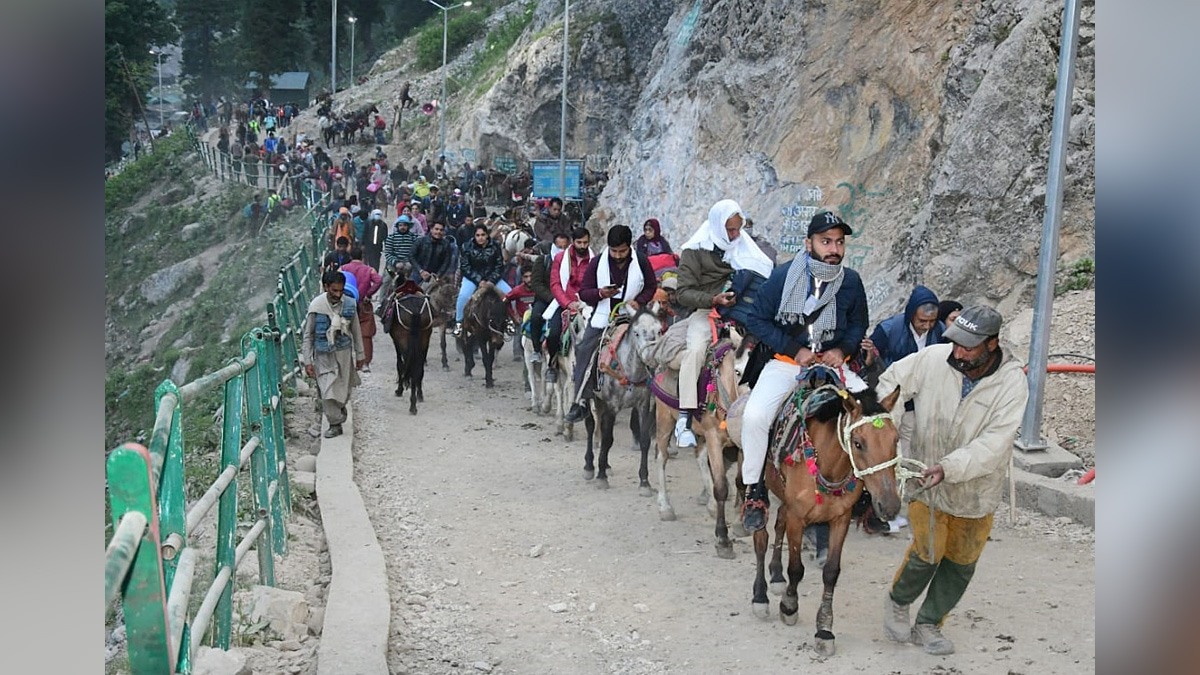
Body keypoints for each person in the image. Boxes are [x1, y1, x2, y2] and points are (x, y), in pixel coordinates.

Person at [879, 305, 1028, 655]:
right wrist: (887, 428)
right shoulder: (933, 359)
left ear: (991, 344)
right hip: (924, 479)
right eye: (956, 342)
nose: (958, 352)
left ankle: (929, 622)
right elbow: (890, 386)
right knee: (928, 552)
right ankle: (898, 601)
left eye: (969, 346)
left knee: (961, 561)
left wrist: (949, 467)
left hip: (975, 489)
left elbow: (994, 443)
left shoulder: (1012, 383)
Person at [739, 211, 868, 531]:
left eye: (839, 242)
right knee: (755, 416)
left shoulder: (850, 281)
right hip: (786, 363)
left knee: (875, 415)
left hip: (833, 365)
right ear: (809, 243)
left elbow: (858, 324)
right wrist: (796, 350)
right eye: (826, 241)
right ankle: (754, 490)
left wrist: (842, 350)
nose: (834, 249)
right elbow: (756, 320)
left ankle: (869, 488)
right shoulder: (783, 277)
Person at [673, 199, 774, 447]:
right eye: (730, 230)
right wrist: (713, 298)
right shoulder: (694, 251)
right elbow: (682, 293)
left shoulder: (743, 247)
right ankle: (684, 418)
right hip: (706, 311)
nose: (735, 235)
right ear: (718, 226)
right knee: (695, 351)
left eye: (738, 229)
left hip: (739, 314)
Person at [564, 225, 658, 422]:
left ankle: (656, 396)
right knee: (585, 350)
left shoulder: (641, 261)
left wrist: (639, 301)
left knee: (652, 345)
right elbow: (584, 293)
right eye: (614, 251)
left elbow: (651, 286)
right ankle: (580, 400)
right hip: (603, 318)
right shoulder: (597, 262)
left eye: (622, 251)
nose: (617, 255)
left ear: (629, 247)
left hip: (632, 318)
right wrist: (600, 294)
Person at [301, 270, 365, 438]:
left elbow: (356, 331)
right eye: (334, 290)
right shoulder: (317, 307)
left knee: (343, 390)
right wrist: (307, 361)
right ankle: (335, 424)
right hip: (323, 355)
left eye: (340, 290)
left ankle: (339, 410)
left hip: (343, 353)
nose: (338, 294)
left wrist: (360, 355)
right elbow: (308, 335)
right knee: (327, 390)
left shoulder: (350, 304)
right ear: (326, 287)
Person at [543, 229, 593, 381]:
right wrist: (567, 303)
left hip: (587, 304)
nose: (583, 246)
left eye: (585, 242)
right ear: (573, 242)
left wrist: (585, 301)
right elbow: (555, 284)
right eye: (579, 242)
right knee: (553, 334)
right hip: (565, 303)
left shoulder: (595, 260)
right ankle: (552, 366)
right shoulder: (560, 258)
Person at [513, 234, 567, 366]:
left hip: (565, 299)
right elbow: (537, 284)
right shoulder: (542, 261)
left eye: (564, 247)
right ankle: (536, 349)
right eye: (559, 247)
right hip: (545, 299)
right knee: (536, 317)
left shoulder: (570, 263)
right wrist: (552, 298)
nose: (562, 250)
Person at [453, 224, 512, 336]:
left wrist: (491, 281)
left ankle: (509, 320)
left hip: (493, 278)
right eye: (478, 235)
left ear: (487, 235)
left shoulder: (495, 246)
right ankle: (459, 322)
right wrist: (479, 280)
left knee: (509, 293)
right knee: (463, 296)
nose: (480, 237)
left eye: (483, 235)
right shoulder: (467, 246)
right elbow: (465, 267)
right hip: (472, 278)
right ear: (474, 236)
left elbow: (499, 266)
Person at [341, 245, 383, 372]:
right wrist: (369, 293)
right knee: (366, 334)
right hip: (363, 303)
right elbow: (378, 281)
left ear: (350, 257)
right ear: (362, 257)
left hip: (346, 302)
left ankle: (346, 362)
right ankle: (365, 363)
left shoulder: (344, 268)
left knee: (344, 331)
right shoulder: (369, 270)